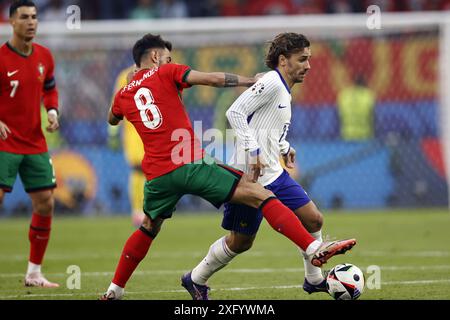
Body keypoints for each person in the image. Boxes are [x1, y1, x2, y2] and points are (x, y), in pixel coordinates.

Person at [100, 33, 356, 300]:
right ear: (155, 57)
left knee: (148, 228)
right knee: (261, 195)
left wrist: (131, 83)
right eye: (166, 57)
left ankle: (114, 290)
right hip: (188, 162)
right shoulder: (166, 72)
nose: (169, 61)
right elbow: (212, 79)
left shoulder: (123, 94)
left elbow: (112, 119)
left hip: (157, 176)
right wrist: (248, 80)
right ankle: (313, 248)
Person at [182, 33, 342, 300]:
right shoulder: (271, 82)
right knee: (240, 242)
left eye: (309, 59)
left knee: (314, 218)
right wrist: (254, 151)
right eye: (302, 59)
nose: (308, 65)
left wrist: (283, 147)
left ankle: (313, 280)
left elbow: (267, 126)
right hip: (249, 177)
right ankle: (195, 278)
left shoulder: (284, 88)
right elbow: (234, 113)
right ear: (283, 60)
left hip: (273, 173)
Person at [0, 0, 60, 288]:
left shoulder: (45, 56)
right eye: (24, 17)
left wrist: (51, 111)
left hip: (34, 142)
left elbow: (49, 87)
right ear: (11, 22)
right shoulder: (0, 58)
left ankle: (34, 272)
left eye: (35, 17)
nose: (31, 22)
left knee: (46, 202)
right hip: (4, 143)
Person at [108, 64, 146, 226]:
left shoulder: (158, 72)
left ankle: (149, 209)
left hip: (154, 128)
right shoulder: (125, 76)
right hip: (134, 130)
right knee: (139, 168)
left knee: (154, 169)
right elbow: (116, 104)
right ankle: (138, 210)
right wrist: (113, 133)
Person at [337, 74, 375, 141]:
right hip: (365, 135)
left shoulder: (344, 95)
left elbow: (338, 116)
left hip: (347, 135)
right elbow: (373, 117)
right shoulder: (368, 95)